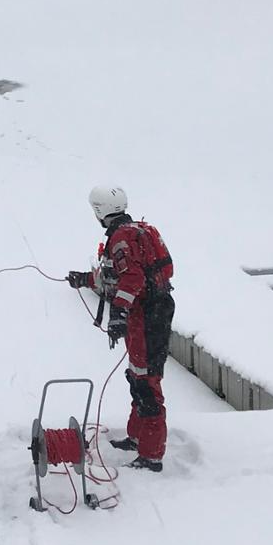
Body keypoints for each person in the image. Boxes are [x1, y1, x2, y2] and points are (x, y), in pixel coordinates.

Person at [66, 186, 175, 472]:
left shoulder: (121, 239)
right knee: (137, 374)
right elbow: (119, 276)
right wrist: (86, 280)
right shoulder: (139, 230)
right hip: (152, 310)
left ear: (100, 211)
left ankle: (152, 455)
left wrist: (118, 312)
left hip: (147, 314)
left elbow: (133, 279)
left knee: (146, 381)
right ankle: (137, 436)